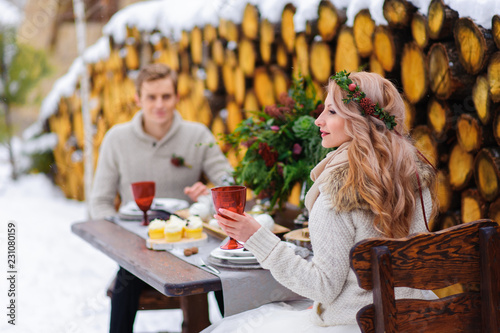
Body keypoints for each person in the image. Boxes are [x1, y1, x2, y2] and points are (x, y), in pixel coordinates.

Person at [203, 71, 437, 332]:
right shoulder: (413, 178)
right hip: (418, 317)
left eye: (332, 112)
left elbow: (322, 287)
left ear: (360, 120)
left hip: (357, 322)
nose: (318, 120)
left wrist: (257, 237)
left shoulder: (338, 195)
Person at [89, 63, 232, 333]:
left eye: (166, 96)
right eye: (151, 97)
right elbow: (99, 203)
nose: (159, 105)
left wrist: (209, 193)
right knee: (124, 285)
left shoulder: (197, 134)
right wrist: (123, 244)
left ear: (177, 97)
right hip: (139, 250)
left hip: (192, 248)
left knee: (224, 281)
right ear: (137, 99)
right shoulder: (116, 139)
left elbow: (230, 183)